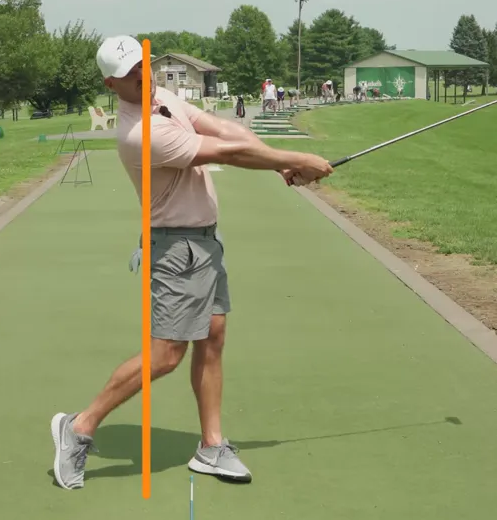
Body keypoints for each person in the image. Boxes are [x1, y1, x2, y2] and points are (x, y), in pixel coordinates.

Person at [50, 35, 334, 490]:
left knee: (214, 337)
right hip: (177, 248)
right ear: (111, 82)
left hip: (204, 241)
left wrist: (277, 163)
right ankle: (79, 427)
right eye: (131, 73)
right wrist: (295, 158)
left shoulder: (162, 98)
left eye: (145, 65)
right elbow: (224, 153)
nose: (144, 75)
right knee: (166, 355)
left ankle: (211, 446)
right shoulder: (142, 134)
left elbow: (226, 131)